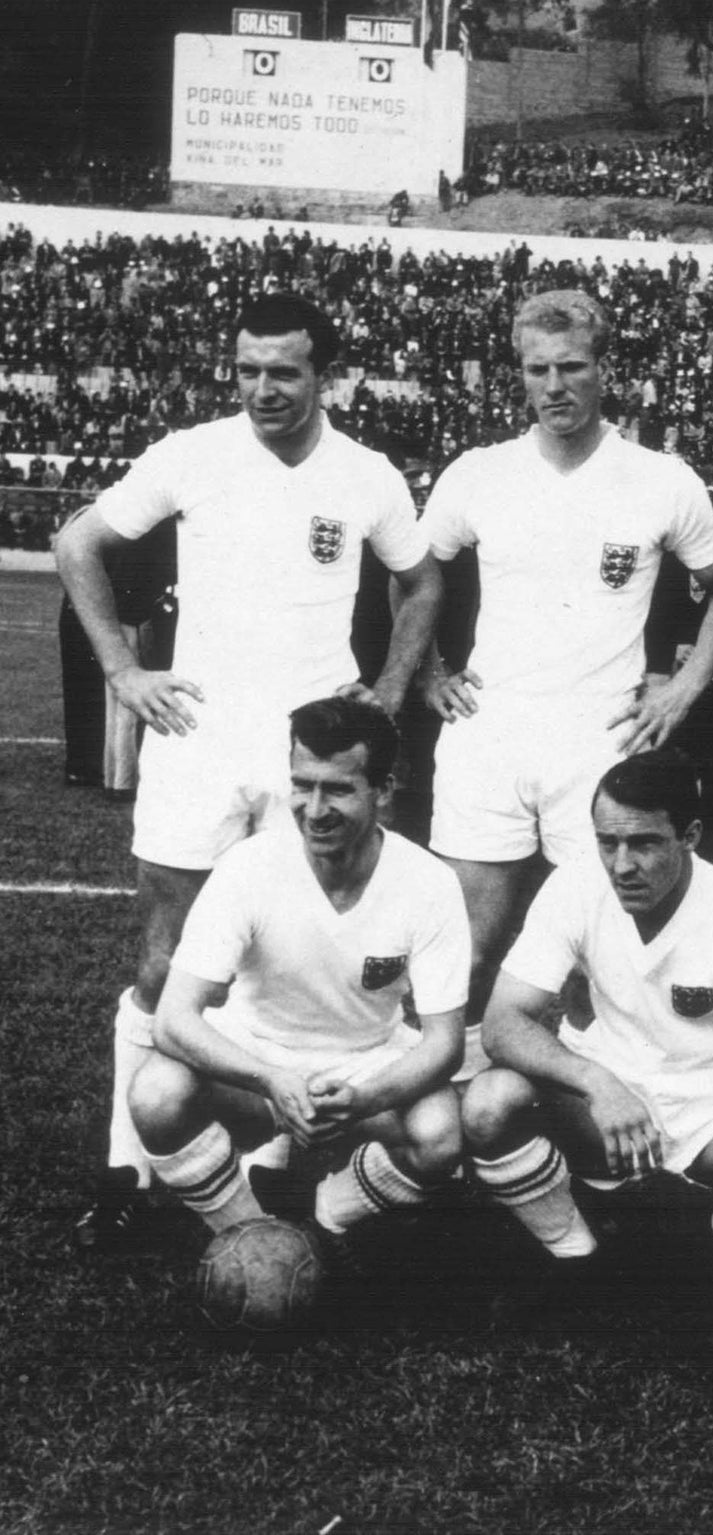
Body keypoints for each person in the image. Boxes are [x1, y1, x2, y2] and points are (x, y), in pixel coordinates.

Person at [54, 293, 442, 1247]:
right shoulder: (191, 453)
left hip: (308, 755)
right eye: (247, 370)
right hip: (198, 736)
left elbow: (422, 576)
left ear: (325, 376)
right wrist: (121, 668)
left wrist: (389, 691)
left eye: (284, 371)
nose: (263, 388)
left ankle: (265, 1163)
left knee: (282, 954)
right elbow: (78, 543)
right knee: (164, 955)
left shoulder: (368, 475)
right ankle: (127, 1168)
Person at [419, 290, 713, 1049]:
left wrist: (685, 688)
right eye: (537, 369)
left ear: (604, 370)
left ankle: (598, 1130)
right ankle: (452, 1130)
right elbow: (411, 573)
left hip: (601, 742)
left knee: (603, 955)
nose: (554, 385)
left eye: (571, 367)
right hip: (488, 732)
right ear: (518, 376)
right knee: (465, 947)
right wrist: (428, 670)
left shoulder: (661, 478)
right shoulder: (479, 472)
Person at [460, 752, 713, 1285]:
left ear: (691, 835)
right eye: (607, 842)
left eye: (644, 843)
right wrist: (598, 1082)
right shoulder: (575, 885)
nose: (621, 865)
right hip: (608, 1093)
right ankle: (574, 1252)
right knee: (487, 1105)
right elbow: (502, 1024)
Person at [128, 698, 467, 1244]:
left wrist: (367, 1098)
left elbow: (445, 1044)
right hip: (256, 1061)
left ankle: (328, 1209)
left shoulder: (428, 882)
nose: (314, 809)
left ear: (382, 791)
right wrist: (269, 1079)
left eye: (337, 789)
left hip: (362, 1065)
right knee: (157, 1094)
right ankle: (252, 1234)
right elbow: (172, 1020)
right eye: (302, 785)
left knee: (440, 1135)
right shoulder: (250, 866)